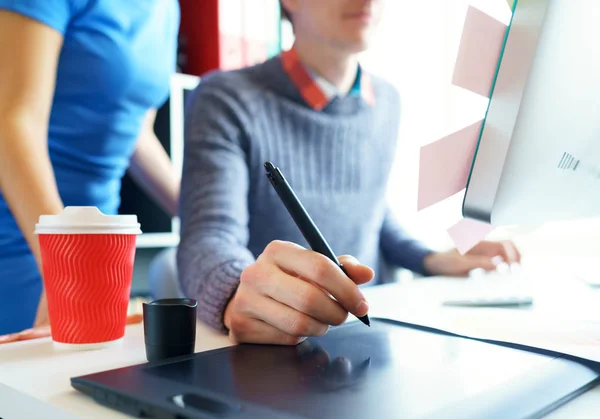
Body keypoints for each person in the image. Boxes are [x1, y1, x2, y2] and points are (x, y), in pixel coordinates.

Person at [177, 0, 520, 345]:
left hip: (368, 334)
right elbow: (208, 237)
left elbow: (372, 214)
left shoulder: (387, 102)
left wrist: (430, 258)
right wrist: (236, 294)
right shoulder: (224, 99)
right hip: (281, 342)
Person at [0, 1, 180, 335]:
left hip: (98, 246)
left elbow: (136, 134)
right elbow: (13, 122)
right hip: (27, 236)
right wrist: (64, 264)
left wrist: (204, 214)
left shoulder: (168, 7)